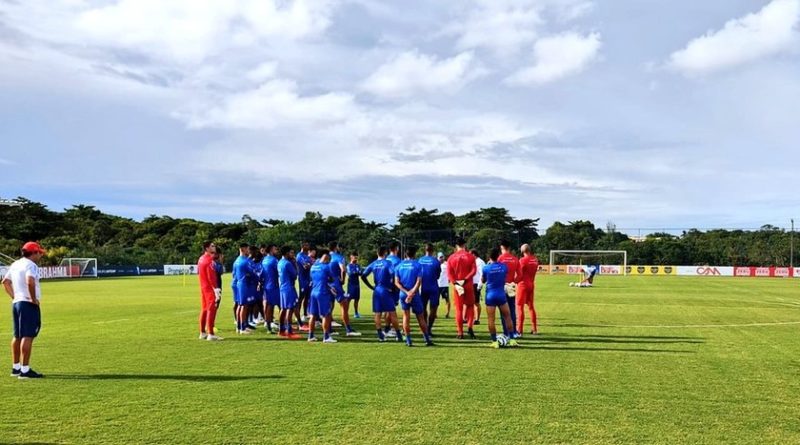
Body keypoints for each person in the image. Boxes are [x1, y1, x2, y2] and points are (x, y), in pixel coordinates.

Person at [2, 242, 46, 379]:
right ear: (34, 253)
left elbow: (5, 282)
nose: (40, 255)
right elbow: (30, 281)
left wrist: (15, 296)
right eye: (39, 252)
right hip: (27, 303)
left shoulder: (16, 264)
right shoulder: (30, 265)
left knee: (17, 335)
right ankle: (25, 370)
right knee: (27, 335)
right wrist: (33, 299)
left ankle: (16, 368)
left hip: (17, 303)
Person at [395, 245, 433, 347]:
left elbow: (397, 283)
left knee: (405, 316)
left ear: (405, 254)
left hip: (403, 294)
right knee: (420, 317)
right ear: (414, 254)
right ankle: (426, 339)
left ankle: (408, 340)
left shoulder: (399, 265)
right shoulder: (417, 265)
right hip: (415, 294)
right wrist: (412, 292)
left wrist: (406, 292)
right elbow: (419, 281)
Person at [361, 246, 402, 342]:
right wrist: (393, 287)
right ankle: (398, 335)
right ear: (385, 253)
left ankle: (380, 335)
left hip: (377, 290)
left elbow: (363, 275)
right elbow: (393, 274)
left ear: (377, 253)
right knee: (392, 313)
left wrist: (371, 287)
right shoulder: (388, 263)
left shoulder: (373, 264)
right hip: (386, 290)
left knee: (377, 313)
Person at [482, 248, 519, 348]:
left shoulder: (486, 268)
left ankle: (494, 342)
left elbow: (483, 280)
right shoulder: (504, 267)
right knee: (508, 317)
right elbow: (504, 277)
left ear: (489, 257)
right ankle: (511, 339)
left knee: (491, 319)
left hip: (490, 296)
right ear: (498, 256)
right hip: (501, 295)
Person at [447, 237, 477, 339]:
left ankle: (460, 332)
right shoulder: (470, 256)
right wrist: (465, 279)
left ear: (456, 246)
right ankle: (470, 328)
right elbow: (474, 271)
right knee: (470, 306)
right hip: (468, 284)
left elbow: (449, 274)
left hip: (457, 286)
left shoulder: (451, 258)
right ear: (464, 245)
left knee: (459, 309)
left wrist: (455, 283)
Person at [308, 251, 337, 343]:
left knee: (313, 315)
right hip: (322, 293)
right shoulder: (327, 267)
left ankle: (311, 336)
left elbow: (315, 279)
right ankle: (326, 337)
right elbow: (332, 279)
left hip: (313, 292)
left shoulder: (313, 267)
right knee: (326, 315)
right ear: (327, 259)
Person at [197, 241, 222, 341]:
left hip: (203, 288)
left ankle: (202, 332)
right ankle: (211, 334)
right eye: (212, 246)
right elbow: (211, 276)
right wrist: (216, 289)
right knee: (211, 310)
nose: (214, 247)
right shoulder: (209, 260)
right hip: (209, 289)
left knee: (204, 309)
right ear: (207, 248)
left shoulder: (201, 259)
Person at [497, 240, 521, 338]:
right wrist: (514, 282)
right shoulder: (515, 259)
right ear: (509, 248)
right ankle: (514, 332)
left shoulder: (499, 258)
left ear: (501, 247)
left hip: (502, 286)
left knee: (503, 311)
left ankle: (506, 332)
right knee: (512, 310)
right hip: (511, 286)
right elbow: (520, 275)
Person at [278, 246, 302, 339]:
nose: (293, 255)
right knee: (290, 309)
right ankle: (289, 331)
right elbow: (295, 275)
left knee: (283, 309)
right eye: (291, 253)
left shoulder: (280, 262)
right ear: (287, 253)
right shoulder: (288, 263)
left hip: (282, 288)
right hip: (289, 288)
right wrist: (295, 264)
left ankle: (281, 330)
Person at [418, 244, 441, 337]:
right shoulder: (436, 261)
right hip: (434, 287)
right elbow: (438, 275)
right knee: (433, 309)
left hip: (423, 287)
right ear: (433, 250)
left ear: (425, 250)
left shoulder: (419, 260)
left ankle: (425, 328)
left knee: (423, 308)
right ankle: (429, 328)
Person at [516, 244, 540, 335]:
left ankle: (519, 330)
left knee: (519, 307)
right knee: (531, 307)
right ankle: (534, 329)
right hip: (531, 284)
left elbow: (520, 274)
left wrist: (513, 281)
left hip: (522, 285)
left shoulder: (522, 260)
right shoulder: (535, 260)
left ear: (522, 251)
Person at [232, 243, 254, 335]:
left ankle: (240, 327)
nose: (249, 251)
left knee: (240, 305)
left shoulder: (236, 260)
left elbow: (234, 274)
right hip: (243, 284)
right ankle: (242, 328)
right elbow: (252, 273)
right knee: (243, 306)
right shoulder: (244, 261)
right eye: (247, 249)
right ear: (243, 249)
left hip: (238, 284)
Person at [383, 241, 402, 337]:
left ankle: (387, 328)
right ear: (396, 249)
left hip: (385, 286)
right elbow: (399, 274)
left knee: (388, 309)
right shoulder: (398, 261)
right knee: (392, 309)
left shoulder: (386, 259)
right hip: (394, 287)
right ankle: (391, 329)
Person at [262, 244, 280, 334]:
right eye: (274, 249)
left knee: (270, 306)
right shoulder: (274, 260)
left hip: (267, 286)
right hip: (273, 286)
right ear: (270, 250)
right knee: (281, 307)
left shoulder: (264, 260)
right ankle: (284, 326)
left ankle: (269, 325)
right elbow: (279, 272)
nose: (276, 250)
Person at [296, 242, 313, 321]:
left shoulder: (307, 256)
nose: (308, 246)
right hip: (302, 279)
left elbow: (311, 264)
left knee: (307, 297)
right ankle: (297, 315)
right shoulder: (299, 256)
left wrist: (310, 264)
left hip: (309, 279)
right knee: (301, 297)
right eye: (307, 245)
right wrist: (310, 264)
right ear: (302, 246)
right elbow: (306, 266)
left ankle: (305, 314)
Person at [471, 249, 485, 325]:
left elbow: (482, 274)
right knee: (473, 302)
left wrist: (480, 285)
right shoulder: (476, 261)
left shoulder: (479, 262)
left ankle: (477, 319)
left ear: (474, 254)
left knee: (476, 302)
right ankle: (474, 318)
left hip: (476, 284)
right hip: (473, 283)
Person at [346, 253, 362, 318]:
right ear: (351, 257)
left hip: (357, 285)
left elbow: (360, 273)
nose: (356, 259)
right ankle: (345, 312)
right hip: (351, 285)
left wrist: (357, 272)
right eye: (354, 257)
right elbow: (350, 273)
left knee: (357, 299)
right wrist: (356, 272)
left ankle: (356, 313)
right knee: (348, 299)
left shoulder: (358, 265)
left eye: (356, 257)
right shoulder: (348, 265)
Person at [437, 252, 451, 319]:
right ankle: (435, 313)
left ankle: (447, 313)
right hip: (437, 285)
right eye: (440, 257)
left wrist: (449, 278)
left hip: (445, 285)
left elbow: (450, 272)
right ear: (438, 258)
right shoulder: (436, 264)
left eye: (442, 257)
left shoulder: (447, 264)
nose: (441, 258)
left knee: (447, 300)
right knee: (435, 300)